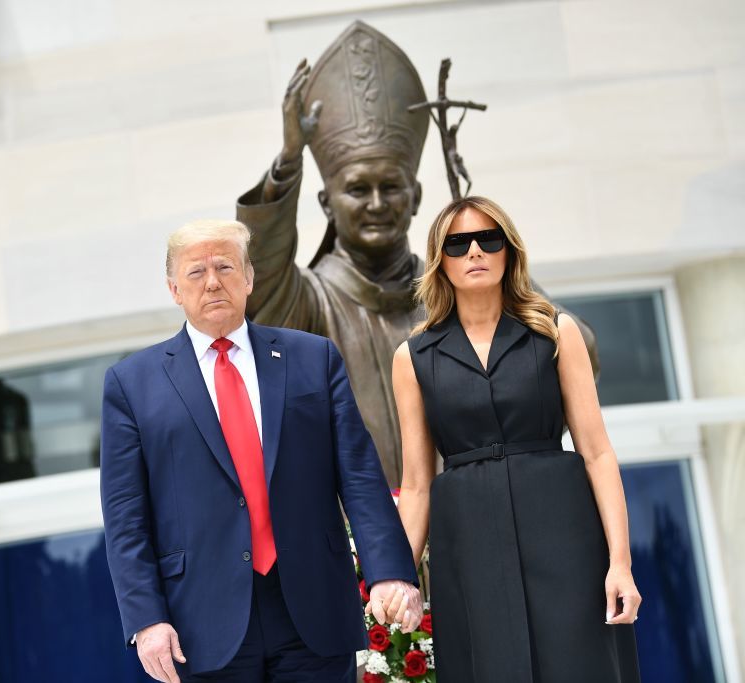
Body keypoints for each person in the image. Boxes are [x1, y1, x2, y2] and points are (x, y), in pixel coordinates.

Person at [236, 21, 598, 487]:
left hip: (472, 521)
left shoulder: (461, 292)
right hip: (361, 543)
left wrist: (500, 275)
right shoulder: (308, 303)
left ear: (416, 196)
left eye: (391, 187)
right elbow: (258, 274)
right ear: (327, 203)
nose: (376, 204)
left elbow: (579, 348)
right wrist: (289, 160)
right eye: (357, 190)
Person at [100, 219, 421, 682]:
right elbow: (126, 518)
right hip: (201, 621)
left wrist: (389, 572)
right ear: (174, 288)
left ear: (249, 278)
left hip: (313, 607)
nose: (213, 281)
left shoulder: (313, 358)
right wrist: (146, 619)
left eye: (226, 266)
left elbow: (360, 476)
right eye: (196, 272)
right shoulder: (131, 385)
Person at [393, 196, 642, 682]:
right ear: (439, 259)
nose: (475, 253)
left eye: (489, 240)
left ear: (509, 251)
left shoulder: (555, 331)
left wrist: (620, 563)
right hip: (468, 544)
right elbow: (418, 483)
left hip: (564, 534)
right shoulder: (414, 356)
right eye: (458, 244)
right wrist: (399, 576)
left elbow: (597, 452)